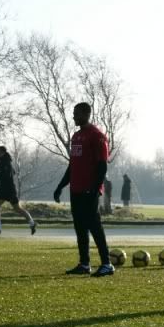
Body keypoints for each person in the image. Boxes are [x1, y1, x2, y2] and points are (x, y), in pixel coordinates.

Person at [53, 102, 114, 277]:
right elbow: (72, 165)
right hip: (76, 190)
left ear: (86, 114)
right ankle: (84, 263)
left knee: (95, 226)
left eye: (77, 113)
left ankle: (107, 264)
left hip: (89, 190)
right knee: (80, 227)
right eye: (74, 113)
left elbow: (102, 166)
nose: (74, 116)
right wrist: (60, 186)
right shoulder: (76, 136)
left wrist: (95, 188)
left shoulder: (97, 136)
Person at [0, 145, 37, 235]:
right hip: (9, 189)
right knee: (17, 208)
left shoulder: (4, 162)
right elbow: (13, 172)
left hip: (6, 190)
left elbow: (6, 176)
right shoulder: (6, 161)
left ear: (2, 153)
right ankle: (32, 223)